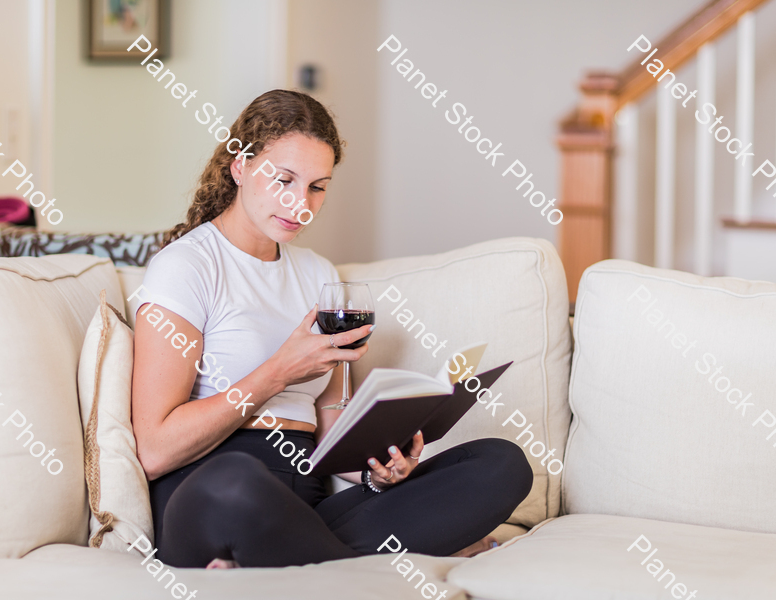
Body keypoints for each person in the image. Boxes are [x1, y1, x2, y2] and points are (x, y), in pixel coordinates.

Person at [131, 89, 533, 569]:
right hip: (215, 491)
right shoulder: (188, 266)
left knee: (500, 464)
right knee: (236, 481)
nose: (300, 203)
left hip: (311, 504)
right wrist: (278, 371)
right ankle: (345, 567)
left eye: (317, 187)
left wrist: (377, 475)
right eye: (284, 179)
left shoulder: (318, 274)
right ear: (239, 166)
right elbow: (155, 450)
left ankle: (294, 566)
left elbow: (330, 428)